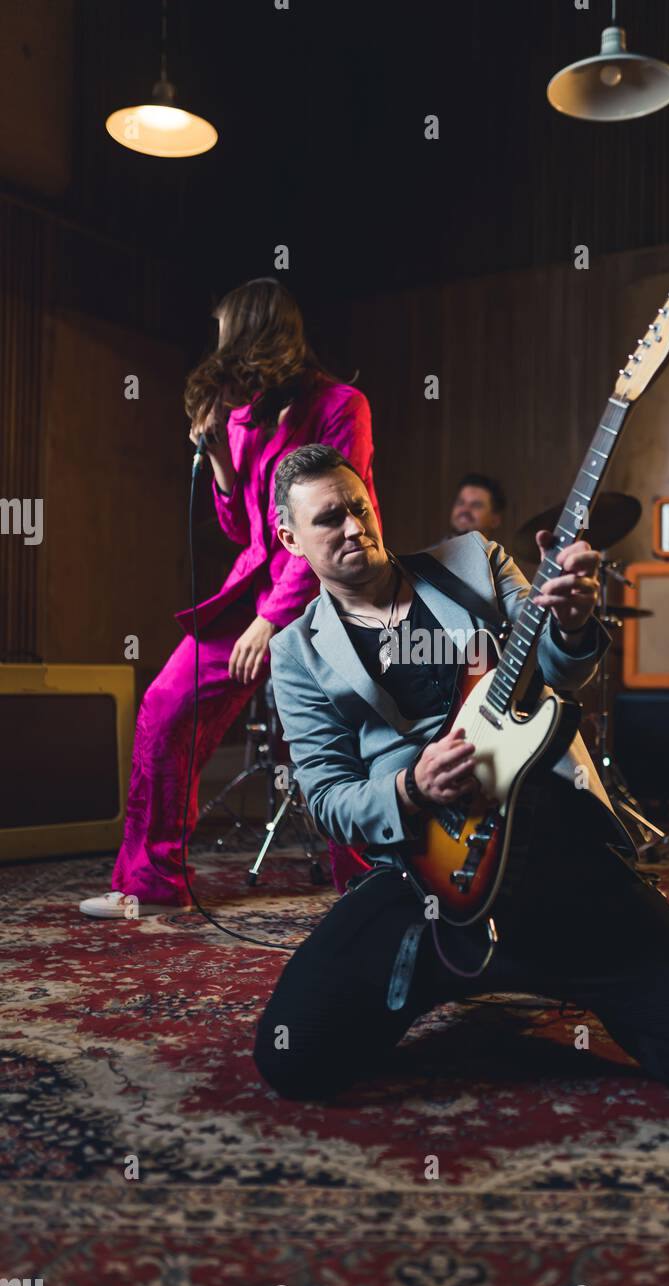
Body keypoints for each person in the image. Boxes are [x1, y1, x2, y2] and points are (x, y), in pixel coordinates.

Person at [253, 445, 669, 1107]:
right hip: (426, 882)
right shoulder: (296, 652)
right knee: (292, 1056)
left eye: (359, 508)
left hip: (558, 855)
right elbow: (327, 796)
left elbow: (553, 668)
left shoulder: (473, 561)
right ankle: (452, 966)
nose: (354, 527)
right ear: (289, 538)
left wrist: (573, 622)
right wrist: (411, 788)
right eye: (329, 519)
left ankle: (547, 959)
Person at [79, 280, 378, 918]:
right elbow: (246, 530)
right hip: (255, 591)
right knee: (165, 705)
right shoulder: (242, 418)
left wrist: (276, 618)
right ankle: (148, 882)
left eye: (224, 333)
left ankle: (374, 886)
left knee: (336, 736)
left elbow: (326, 521)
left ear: (254, 332)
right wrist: (219, 460)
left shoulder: (340, 406)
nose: (217, 348)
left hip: (328, 590)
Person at [447, 472, 505, 537]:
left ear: (495, 520)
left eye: (476, 505)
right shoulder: (435, 547)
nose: (465, 509)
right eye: (460, 503)